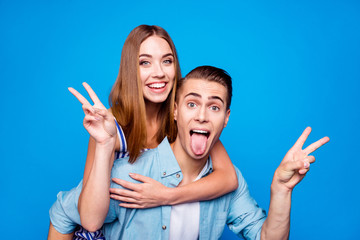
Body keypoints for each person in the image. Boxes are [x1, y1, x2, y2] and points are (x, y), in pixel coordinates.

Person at [49, 66, 329, 239]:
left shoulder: (231, 184)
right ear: (174, 111)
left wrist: (281, 190)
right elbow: (65, 213)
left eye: (215, 107)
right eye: (192, 104)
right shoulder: (128, 176)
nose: (203, 116)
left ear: (226, 118)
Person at [48, 25, 238, 239]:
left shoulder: (186, 121)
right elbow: (89, 219)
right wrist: (104, 144)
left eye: (167, 61)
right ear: (131, 69)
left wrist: (166, 196)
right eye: (145, 62)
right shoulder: (111, 126)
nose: (159, 72)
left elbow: (229, 179)